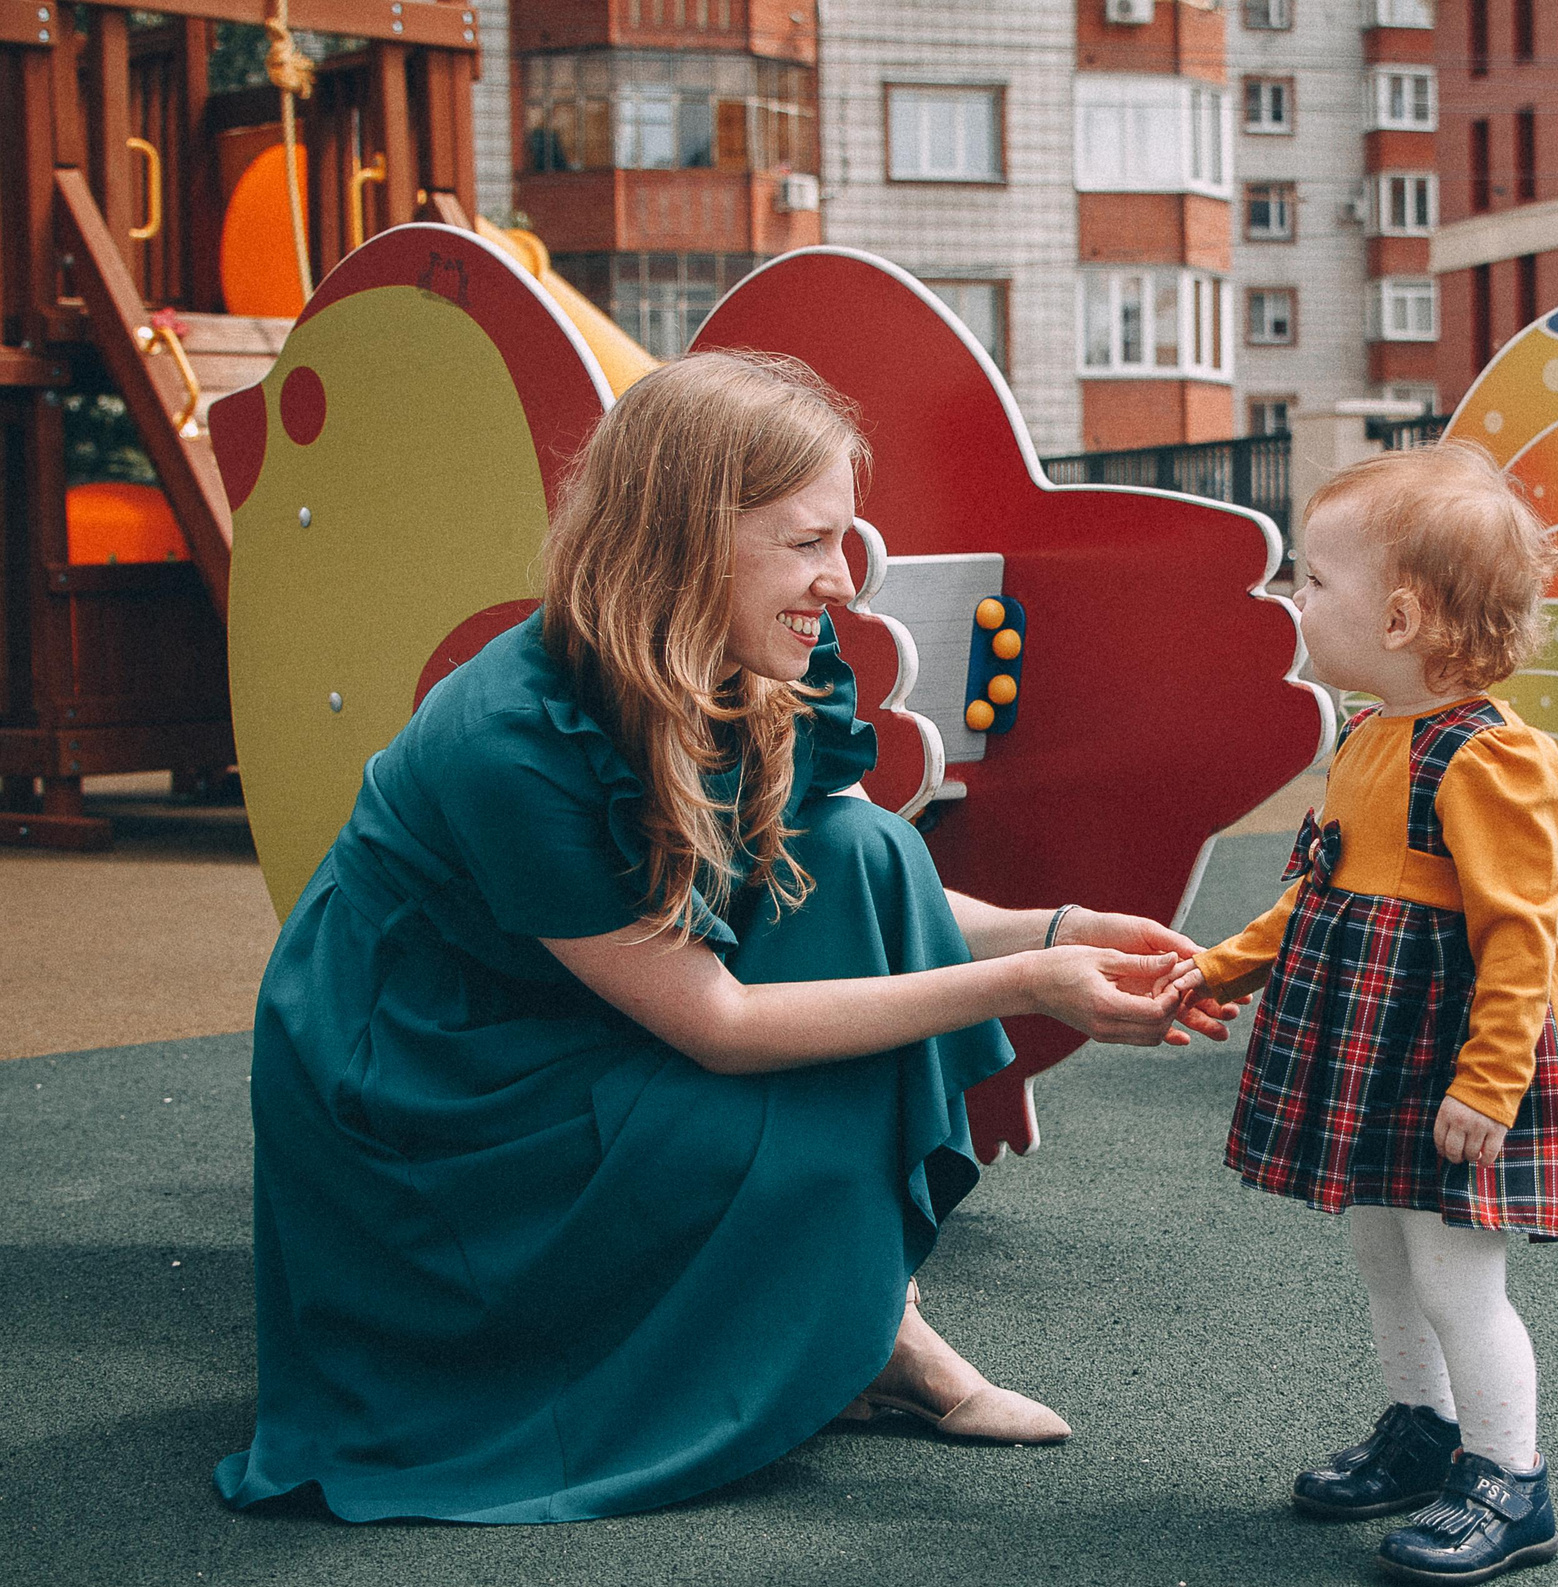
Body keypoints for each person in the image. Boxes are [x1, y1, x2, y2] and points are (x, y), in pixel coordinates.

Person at [216, 351, 1229, 1524]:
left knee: (864, 849)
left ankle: (877, 1329)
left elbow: (806, 878)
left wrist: (1050, 928)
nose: (842, 580)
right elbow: (719, 1024)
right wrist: (1030, 982)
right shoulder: (508, 741)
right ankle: (857, 1331)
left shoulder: (751, 649)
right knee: (792, 1114)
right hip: (434, 1079)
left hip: (584, 994)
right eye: (808, 543)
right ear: (686, 540)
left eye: (844, 539)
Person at [1164, 441, 1558, 1587]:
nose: (1295, 600)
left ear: (1399, 618)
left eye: (1313, 580)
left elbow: (1521, 938)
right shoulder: (1368, 736)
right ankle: (1422, 1431)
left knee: (1456, 1278)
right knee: (1384, 1254)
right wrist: (1220, 969)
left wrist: (1488, 1086)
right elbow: (1319, 889)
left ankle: (1511, 1481)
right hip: (1379, 1051)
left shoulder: (1488, 758)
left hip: (1450, 1065)